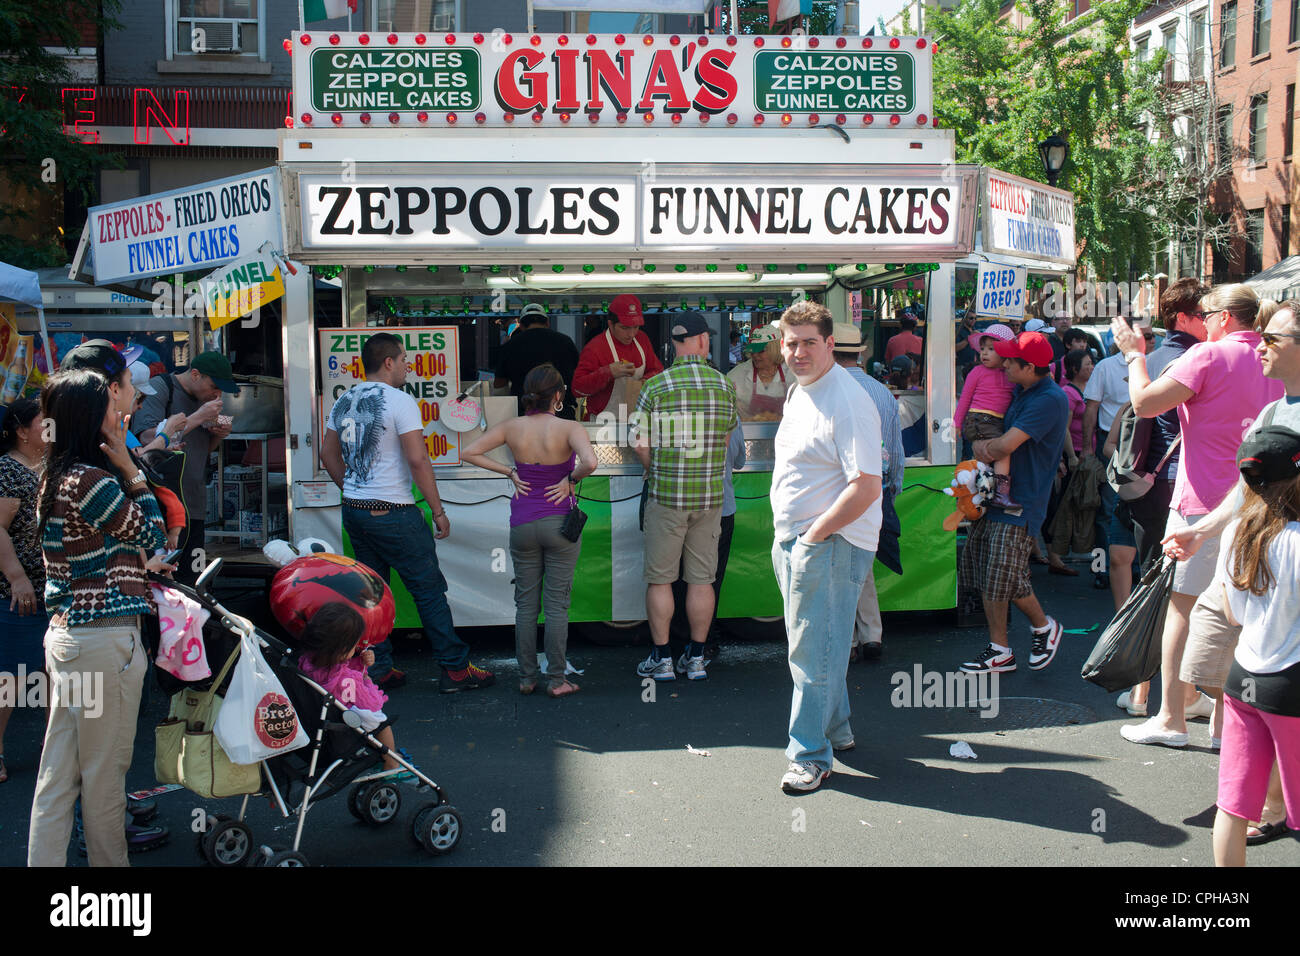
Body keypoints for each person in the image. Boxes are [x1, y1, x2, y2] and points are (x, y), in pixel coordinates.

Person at [1112, 283, 1283, 748]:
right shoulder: (1275, 359)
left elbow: (1145, 403)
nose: (1201, 321)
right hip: (1262, 507)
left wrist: (1134, 355)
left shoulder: (1208, 356)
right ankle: (1222, 722)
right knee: (1244, 616)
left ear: (1225, 318)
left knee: (1182, 609)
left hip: (1202, 503)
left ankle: (1171, 716)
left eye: (1206, 313)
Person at [27, 367, 173, 867]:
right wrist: (131, 468)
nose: (120, 412)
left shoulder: (55, 474)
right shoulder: (91, 480)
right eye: (111, 406)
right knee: (105, 777)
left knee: (57, 776)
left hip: (69, 638)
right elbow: (154, 534)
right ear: (93, 418)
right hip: (104, 641)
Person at [320, 332, 495, 694]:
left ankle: (379, 668)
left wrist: (351, 490)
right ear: (388, 362)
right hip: (394, 512)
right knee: (428, 590)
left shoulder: (344, 400)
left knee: (373, 594)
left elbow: (328, 455)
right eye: (404, 359)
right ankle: (455, 669)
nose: (408, 365)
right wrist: (438, 510)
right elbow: (418, 458)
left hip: (355, 511)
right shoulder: (400, 400)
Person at [770, 301, 882, 793]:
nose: (798, 351)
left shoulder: (848, 398)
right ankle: (836, 729)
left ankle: (810, 755)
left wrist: (815, 535)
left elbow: (867, 485)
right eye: (790, 342)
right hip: (798, 537)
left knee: (812, 652)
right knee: (820, 645)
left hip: (827, 541)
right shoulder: (800, 391)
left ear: (830, 344)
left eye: (808, 342)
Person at [462, 363, 598, 697]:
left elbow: (468, 451)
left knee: (525, 605)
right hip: (559, 524)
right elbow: (591, 463)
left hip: (522, 521)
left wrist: (509, 471)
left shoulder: (512, 427)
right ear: (557, 395)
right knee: (556, 606)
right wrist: (570, 480)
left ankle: (526, 677)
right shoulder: (569, 427)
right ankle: (557, 679)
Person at [1112, 278, 1207, 717]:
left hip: (1151, 487)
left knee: (1155, 582)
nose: (1214, 322)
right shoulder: (1198, 358)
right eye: (1206, 314)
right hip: (1187, 487)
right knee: (1182, 594)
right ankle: (1170, 694)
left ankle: (1145, 692)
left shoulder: (1153, 359)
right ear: (1184, 317)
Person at [1209, 428, 1300, 866]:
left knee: (1234, 805)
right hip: (1291, 684)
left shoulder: (1236, 533)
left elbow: (1235, 616)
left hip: (1243, 679)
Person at [631, 312, 739, 681]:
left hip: (666, 496)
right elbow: (726, 444)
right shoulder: (725, 387)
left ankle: (661, 659)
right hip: (709, 500)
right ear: (704, 341)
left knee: (661, 580)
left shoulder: (655, 386)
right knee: (701, 580)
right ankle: (695, 659)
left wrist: (652, 466)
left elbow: (639, 441)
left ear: (674, 344)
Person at [958, 331, 1066, 676]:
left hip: (1022, 500)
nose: (1003, 364)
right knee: (997, 572)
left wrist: (981, 449)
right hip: (999, 496)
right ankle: (1033, 632)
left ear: (1029, 367)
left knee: (999, 575)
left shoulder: (1048, 399)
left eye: (1010, 360)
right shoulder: (1025, 389)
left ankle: (1006, 645)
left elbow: (1004, 445)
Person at [132, 350, 237, 584]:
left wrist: (220, 433)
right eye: (214, 386)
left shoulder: (206, 402)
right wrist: (199, 417)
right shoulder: (161, 388)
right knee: (165, 579)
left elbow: (200, 450)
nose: (216, 394)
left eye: (220, 391)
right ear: (196, 374)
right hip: (163, 506)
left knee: (193, 579)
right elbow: (147, 440)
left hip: (194, 504)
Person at [832, 323, 903, 663]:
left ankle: (847, 639)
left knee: (838, 561)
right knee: (861, 558)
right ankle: (871, 633)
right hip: (876, 486)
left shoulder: (826, 391)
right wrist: (893, 487)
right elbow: (895, 446)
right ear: (861, 352)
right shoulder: (882, 392)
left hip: (840, 487)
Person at [297, 603, 410, 774]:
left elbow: (335, 667)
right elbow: (372, 703)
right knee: (381, 722)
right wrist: (364, 675)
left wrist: (359, 663)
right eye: (354, 646)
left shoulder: (307, 662)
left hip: (316, 723)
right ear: (342, 650)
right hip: (342, 730)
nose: (357, 648)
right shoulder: (346, 679)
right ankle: (391, 762)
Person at [0, 398, 47, 785]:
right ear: (21, 430)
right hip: (17, 592)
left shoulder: (49, 465)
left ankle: (58, 755)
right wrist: (17, 576)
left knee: (52, 678)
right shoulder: (7, 470)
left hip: (53, 589)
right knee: (11, 679)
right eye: (42, 422)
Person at [1082, 334, 1139, 596]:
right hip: (1111, 444)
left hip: (1144, 445)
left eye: (1150, 337)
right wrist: (1087, 449)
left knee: (1140, 509)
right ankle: (1102, 569)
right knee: (1107, 509)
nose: (1148, 342)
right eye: (1144, 337)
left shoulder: (1153, 363)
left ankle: (1136, 568)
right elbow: (1091, 409)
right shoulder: (1105, 367)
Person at [953, 323, 1018, 510]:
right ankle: (1001, 494)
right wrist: (957, 423)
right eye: (982, 349)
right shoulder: (977, 372)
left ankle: (984, 495)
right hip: (982, 419)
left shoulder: (1009, 373)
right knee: (1003, 452)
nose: (984, 353)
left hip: (988, 421)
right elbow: (965, 398)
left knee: (984, 460)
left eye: (991, 349)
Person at [572, 294, 664, 420]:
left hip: (636, 421)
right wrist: (607, 372)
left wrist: (645, 381)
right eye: (625, 328)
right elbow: (577, 388)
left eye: (636, 327)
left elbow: (658, 371)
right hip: (602, 425)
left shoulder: (642, 339)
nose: (631, 334)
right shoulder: (595, 348)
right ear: (610, 324)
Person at [1045, 347, 1094, 576]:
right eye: (1087, 364)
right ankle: (1054, 556)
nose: (1091, 367)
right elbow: (1062, 428)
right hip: (1071, 454)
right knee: (1062, 506)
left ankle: (1060, 553)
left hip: (1087, 455)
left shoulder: (1090, 389)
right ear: (1074, 369)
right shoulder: (1068, 393)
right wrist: (1070, 457)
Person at [493, 303, 581, 419]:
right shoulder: (566, 342)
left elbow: (499, 384)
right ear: (547, 323)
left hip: (525, 415)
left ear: (522, 325)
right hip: (561, 413)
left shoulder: (510, 346)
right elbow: (578, 376)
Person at [726, 324, 788, 420]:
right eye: (752, 351)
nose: (755, 355)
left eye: (761, 351)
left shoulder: (793, 373)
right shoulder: (737, 374)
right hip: (748, 432)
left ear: (775, 349)